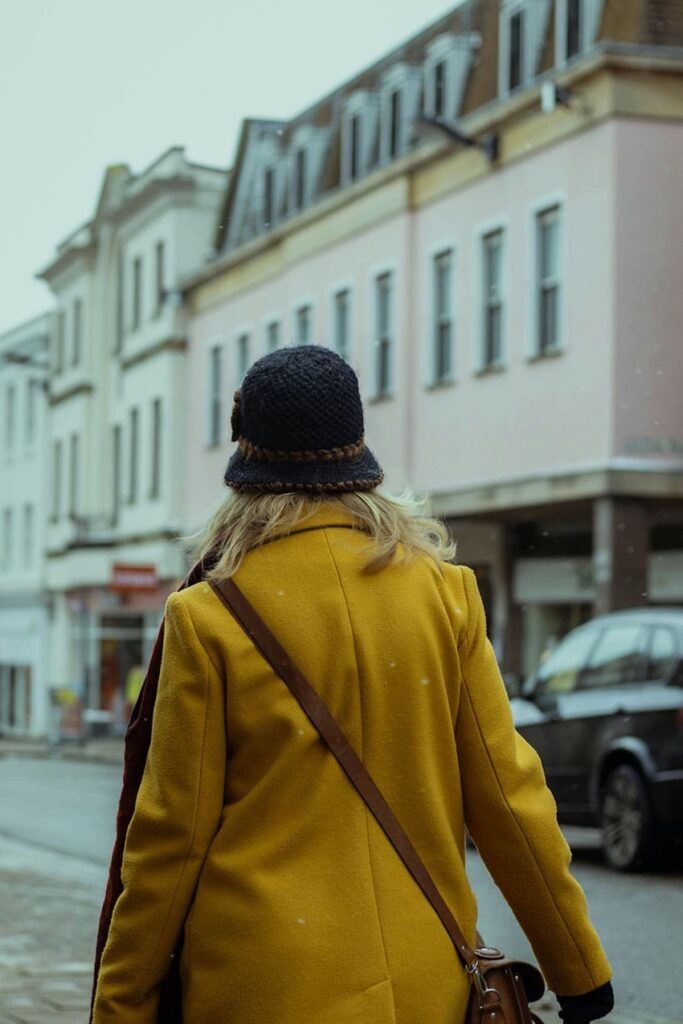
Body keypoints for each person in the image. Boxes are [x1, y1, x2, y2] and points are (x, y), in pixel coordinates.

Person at [91, 346, 614, 1024]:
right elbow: (507, 797)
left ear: (246, 467)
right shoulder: (443, 594)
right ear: (357, 455)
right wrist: (577, 969)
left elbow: (170, 841)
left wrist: (121, 1003)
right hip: (424, 981)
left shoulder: (208, 615)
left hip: (261, 985)